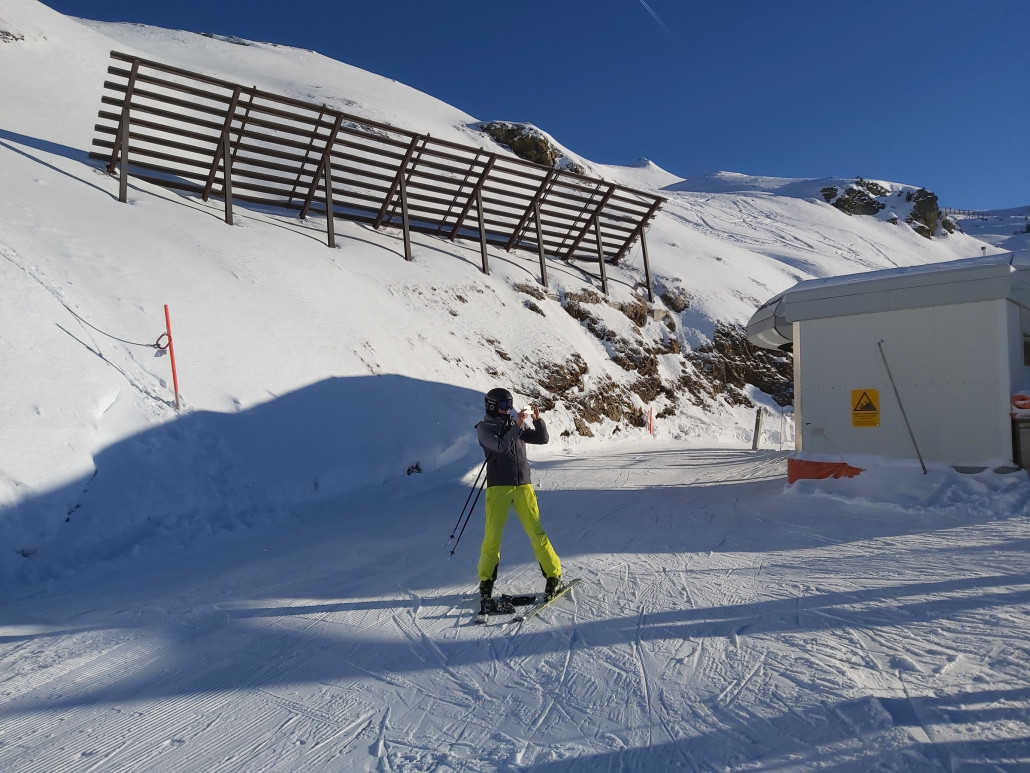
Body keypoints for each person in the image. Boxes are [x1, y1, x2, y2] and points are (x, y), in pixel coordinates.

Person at [475, 387, 562, 616]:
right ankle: (486, 584)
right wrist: (516, 426)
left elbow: (542, 439)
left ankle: (554, 575)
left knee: (537, 533)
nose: (508, 409)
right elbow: (500, 447)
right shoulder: (484, 429)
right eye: (505, 405)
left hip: (524, 486)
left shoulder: (513, 426)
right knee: (492, 538)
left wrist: (537, 419)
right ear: (493, 406)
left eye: (510, 404)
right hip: (499, 488)